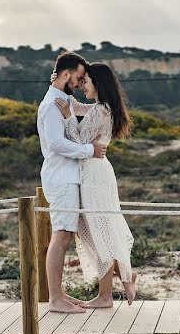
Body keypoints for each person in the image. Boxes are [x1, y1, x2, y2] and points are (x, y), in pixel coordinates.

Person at [54, 62, 137, 306]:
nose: (81, 87)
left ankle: (109, 292)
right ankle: (119, 281)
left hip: (94, 177)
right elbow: (78, 106)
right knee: (96, 231)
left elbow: (79, 140)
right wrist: (59, 85)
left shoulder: (101, 111)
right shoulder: (102, 108)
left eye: (86, 82)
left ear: (98, 84)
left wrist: (69, 118)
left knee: (100, 231)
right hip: (95, 173)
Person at [37, 52, 107, 313]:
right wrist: (90, 150)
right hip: (62, 178)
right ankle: (55, 299)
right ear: (66, 76)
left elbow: (78, 107)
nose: (79, 83)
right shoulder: (53, 105)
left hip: (69, 177)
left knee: (66, 233)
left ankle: (60, 294)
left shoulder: (61, 97)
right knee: (62, 234)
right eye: (77, 78)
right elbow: (55, 143)